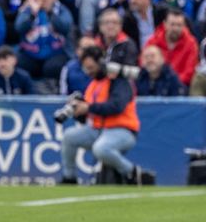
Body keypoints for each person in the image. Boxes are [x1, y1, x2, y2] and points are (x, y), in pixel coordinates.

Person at [60, 43, 153, 186]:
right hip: (99, 130)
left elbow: (116, 106)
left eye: (91, 67)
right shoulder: (93, 85)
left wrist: (88, 107)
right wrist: (78, 111)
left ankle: (133, 173)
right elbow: (88, 116)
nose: (88, 71)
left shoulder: (118, 81)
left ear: (101, 63)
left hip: (123, 129)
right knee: (69, 136)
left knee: (101, 148)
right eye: (86, 68)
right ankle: (69, 178)